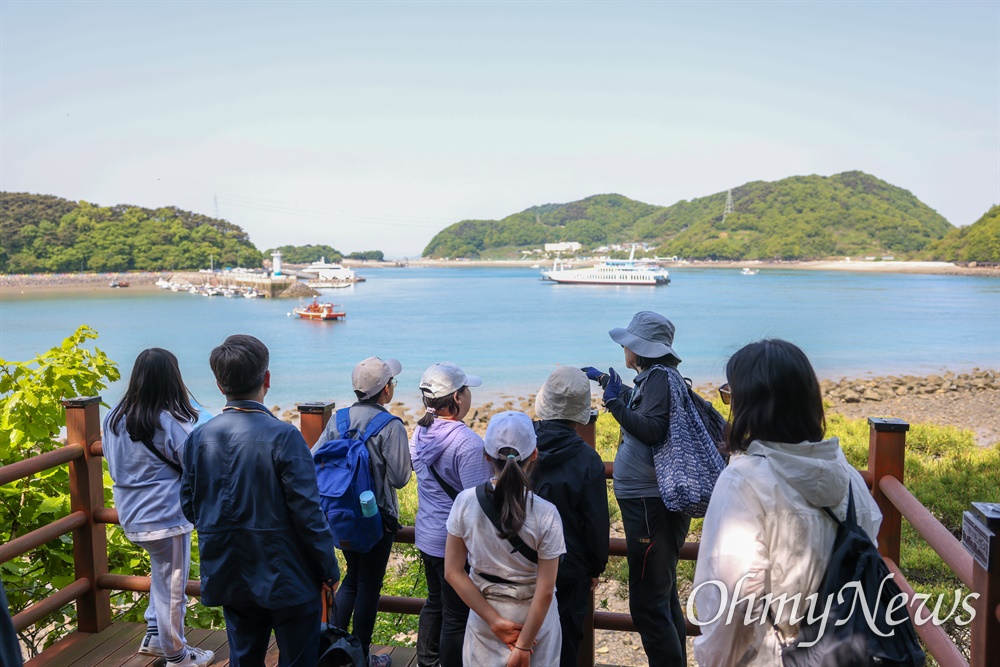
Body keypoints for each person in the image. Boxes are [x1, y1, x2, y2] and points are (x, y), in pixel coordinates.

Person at [691, 339, 882, 667]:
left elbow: (729, 600)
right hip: (844, 653)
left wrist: (712, 660)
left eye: (731, 396)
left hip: (772, 655)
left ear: (751, 405)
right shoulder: (850, 479)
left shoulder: (743, 482)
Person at [180, 334, 340, 667]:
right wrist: (328, 567)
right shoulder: (284, 436)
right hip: (288, 573)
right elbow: (308, 514)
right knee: (298, 659)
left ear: (219, 383)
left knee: (244, 657)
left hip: (230, 568)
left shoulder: (198, 438)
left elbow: (188, 505)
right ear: (266, 379)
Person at [582, 310, 690, 667]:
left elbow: (653, 428)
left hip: (649, 503)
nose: (624, 348)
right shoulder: (657, 377)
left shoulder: (658, 378)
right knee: (662, 595)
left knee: (648, 603)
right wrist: (605, 383)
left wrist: (612, 403)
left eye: (627, 343)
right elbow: (647, 408)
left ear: (640, 349)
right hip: (650, 502)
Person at [103, 348, 214, 667]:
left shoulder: (114, 416)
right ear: (172, 379)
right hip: (166, 516)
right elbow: (193, 464)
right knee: (173, 585)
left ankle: (154, 635)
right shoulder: (169, 420)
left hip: (132, 514)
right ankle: (177, 656)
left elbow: (114, 463)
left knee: (162, 577)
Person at [444, 411, 565, 667]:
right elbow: (544, 591)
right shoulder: (546, 513)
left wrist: (495, 621)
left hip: (486, 618)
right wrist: (523, 646)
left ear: (486, 456)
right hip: (537, 626)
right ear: (534, 455)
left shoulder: (465, 503)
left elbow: (453, 572)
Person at [312, 356, 412, 667]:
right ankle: (362, 656)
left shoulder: (338, 419)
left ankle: (337, 648)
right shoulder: (391, 425)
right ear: (385, 391)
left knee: (352, 578)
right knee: (369, 585)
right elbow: (400, 478)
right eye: (391, 382)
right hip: (377, 519)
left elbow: (315, 459)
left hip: (340, 516)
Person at [410, 362, 493, 667]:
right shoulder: (467, 442)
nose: (470, 395)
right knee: (457, 616)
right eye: (467, 390)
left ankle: (427, 662)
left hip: (428, 534)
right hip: (454, 543)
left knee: (436, 603)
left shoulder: (421, 430)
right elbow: (478, 500)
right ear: (457, 398)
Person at [531, 366, 610, 667]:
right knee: (567, 638)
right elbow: (595, 522)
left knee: (526, 635)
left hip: (525, 558)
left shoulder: (525, 444)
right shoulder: (587, 459)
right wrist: (596, 565)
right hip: (570, 565)